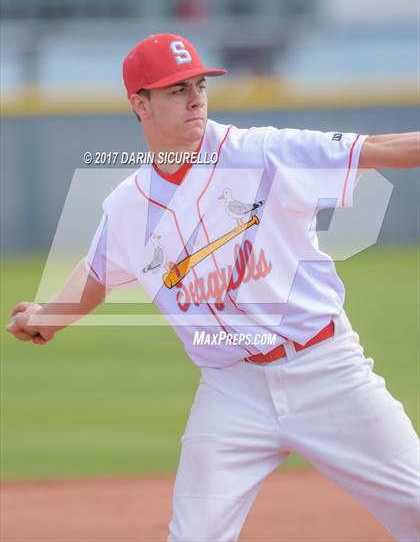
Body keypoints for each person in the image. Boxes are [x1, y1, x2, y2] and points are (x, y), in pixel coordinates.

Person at [6, 33, 420, 542]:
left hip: (326, 369)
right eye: (176, 89)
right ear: (140, 104)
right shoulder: (128, 204)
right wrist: (46, 317)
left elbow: (384, 150)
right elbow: (96, 275)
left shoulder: (264, 152)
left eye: (199, 84)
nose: (196, 97)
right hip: (232, 389)